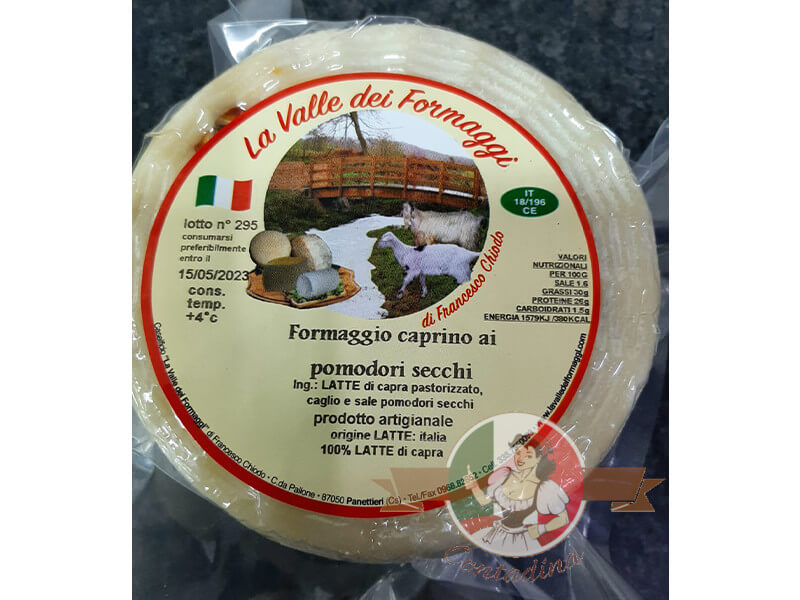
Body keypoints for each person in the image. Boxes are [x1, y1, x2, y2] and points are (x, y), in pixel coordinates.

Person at [464, 433, 570, 555]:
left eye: (528, 455)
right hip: (495, 533)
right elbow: (483, 501)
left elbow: (564, 518)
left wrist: (542, 529)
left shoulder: (544, 487)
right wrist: (474, 486)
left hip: (520, 540)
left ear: (539, 458)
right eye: (518, 453)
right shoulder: (505, 476)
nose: (521, 459)